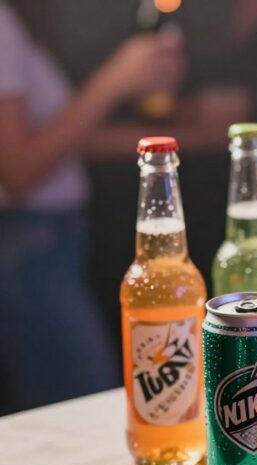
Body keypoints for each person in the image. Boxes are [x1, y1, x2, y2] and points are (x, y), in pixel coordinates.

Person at [0, 1, 185, 414]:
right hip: (27, 246)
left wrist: (189, 136)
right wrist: (115, 79)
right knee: (81, 408)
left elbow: (65, 141)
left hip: (48, 243)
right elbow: (18, 170)